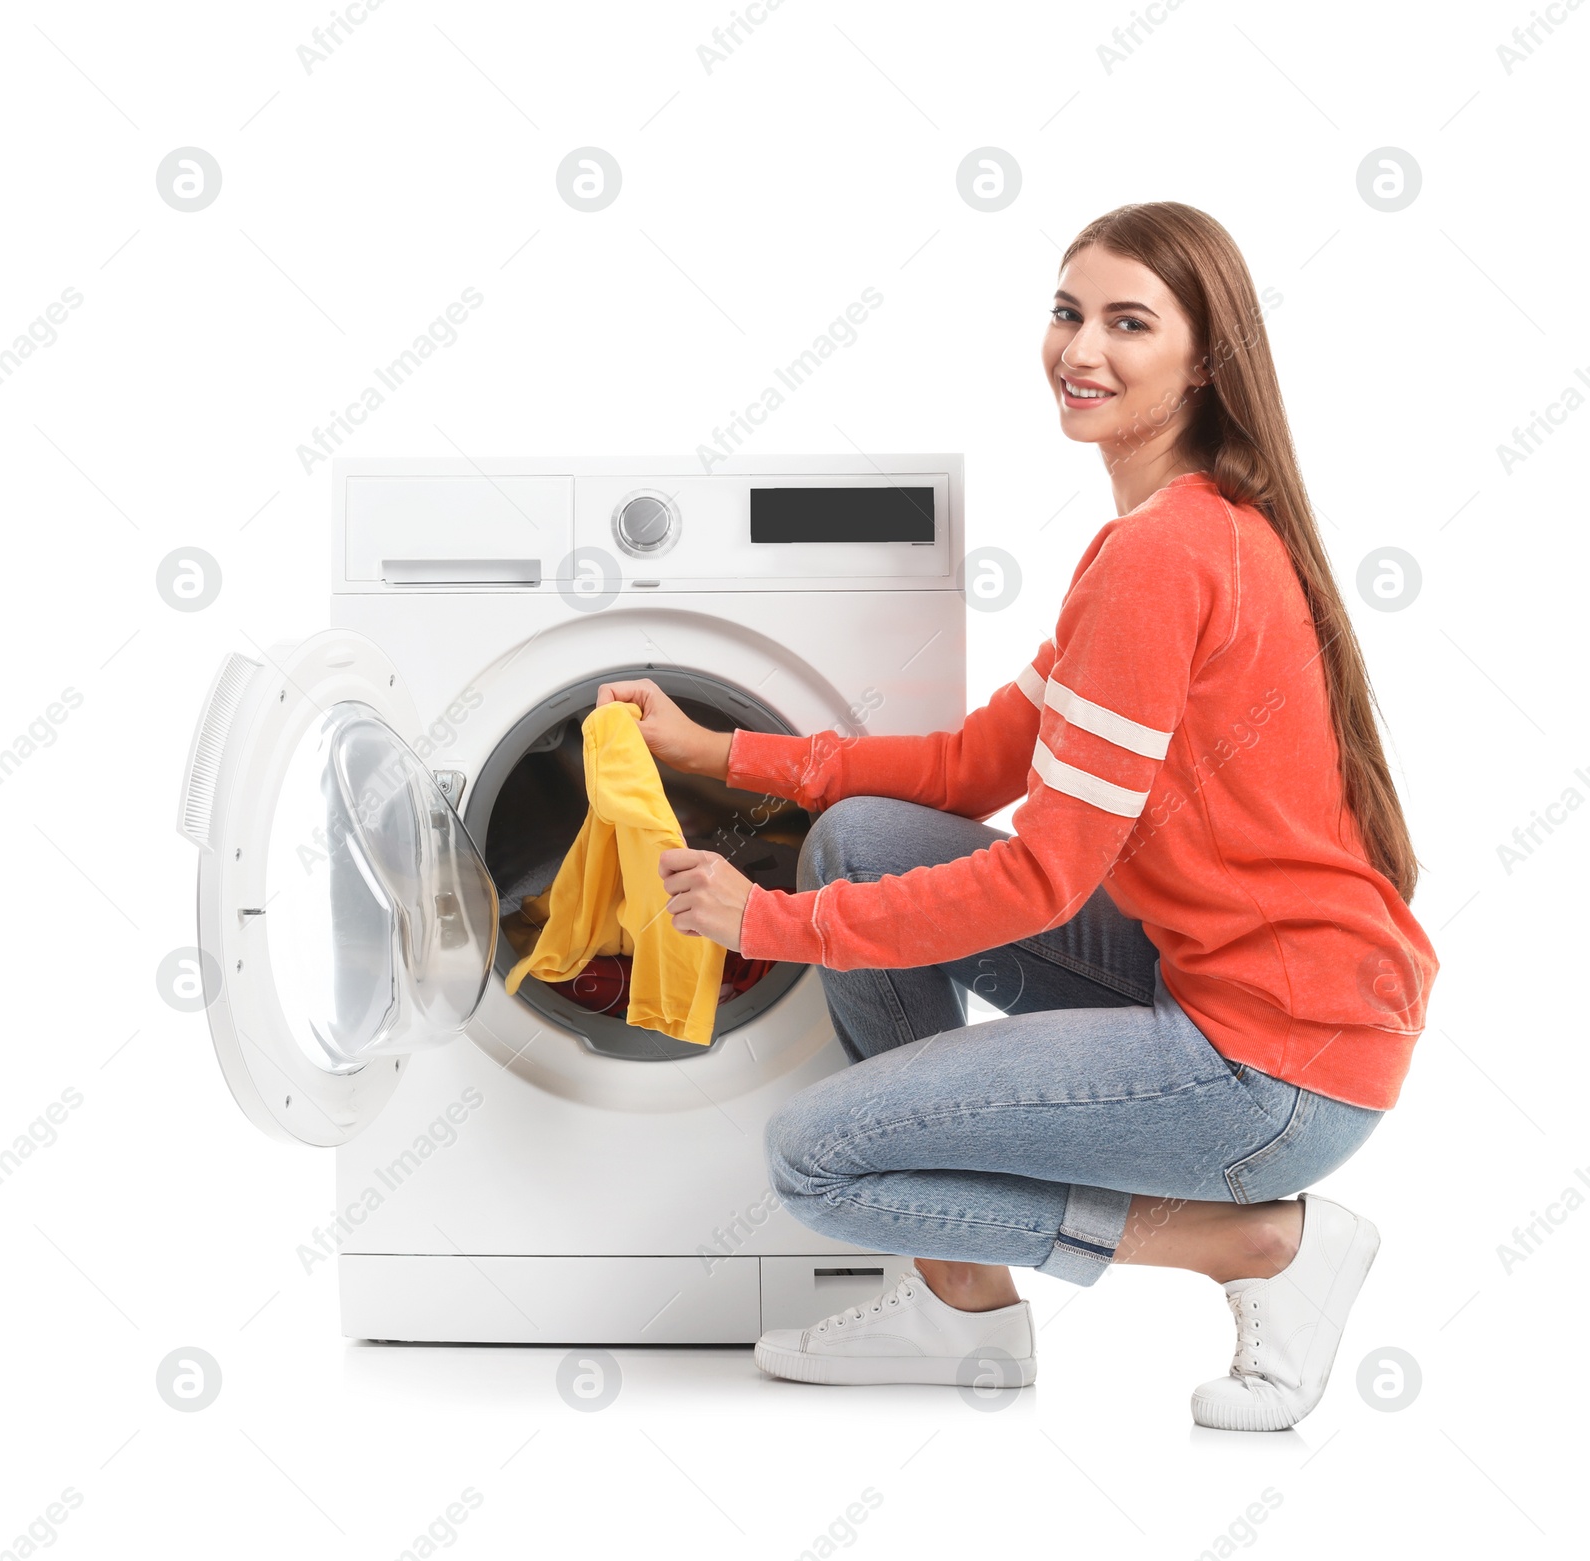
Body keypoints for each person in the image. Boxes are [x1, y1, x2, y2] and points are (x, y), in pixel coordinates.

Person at [597, 201, 1438, 1432]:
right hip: (1244, 994)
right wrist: (720, 750)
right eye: (1066, 312)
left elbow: (1041, 880)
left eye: (1127, 324)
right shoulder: (1160, 536)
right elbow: (970, 760)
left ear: (1203, 361)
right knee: (861, 836)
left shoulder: (1166, 559)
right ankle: (961, 1305)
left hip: (1268, 1069)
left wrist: (773, 924)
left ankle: (1258, 1240)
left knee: (816, 1158)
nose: (1079, 350)